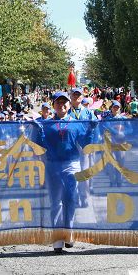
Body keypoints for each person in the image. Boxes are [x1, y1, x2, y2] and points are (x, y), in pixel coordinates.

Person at [39, 91, 92, 253]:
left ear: (69, 105)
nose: (61, 105)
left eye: (64, 103)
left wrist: (91, 130)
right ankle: (57, 238)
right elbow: (38, 143)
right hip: (53, 165)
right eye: (58, 103)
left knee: (70, 199)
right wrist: (35, 127)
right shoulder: (46, 124)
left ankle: (68, 232)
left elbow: (85, 143)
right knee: (56, 202)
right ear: (53, 105)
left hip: (72, 164)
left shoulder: (77, 123)